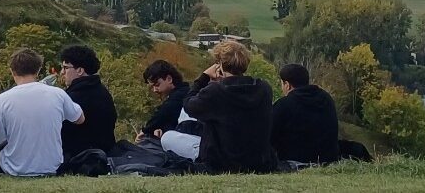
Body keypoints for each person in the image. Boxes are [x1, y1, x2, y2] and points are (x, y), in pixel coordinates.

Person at [0, 48, 85, 176]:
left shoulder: (2, 99)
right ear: (38, 70)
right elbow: (80, 119)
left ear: (12, 71)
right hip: (52, 166)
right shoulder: (58, 94)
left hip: (14, 168)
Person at [182, 40, 277, 174]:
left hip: (222, 163)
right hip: (259, 162)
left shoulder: (215, 91)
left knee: (169, 137)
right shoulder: (264, 88)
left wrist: (203, 78)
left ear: (220, 64)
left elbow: (188, 105)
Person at [271, 63, 340, 164]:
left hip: (296, 161)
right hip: (328, 159)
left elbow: (269, 136)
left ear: (287, 85)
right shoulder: (326, 99)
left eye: (282, 84)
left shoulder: (283, 105)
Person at [58, 45, 117, 158]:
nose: (62, 72)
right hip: (105, 154)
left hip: (79, 157)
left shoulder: (74, 97)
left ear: (80, 70)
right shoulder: (102, 91)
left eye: (65, 68)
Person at [138, 59, 190, 140]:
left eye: (157, 85)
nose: (155, 90)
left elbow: (163, 113)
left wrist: (145, 131)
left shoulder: (179, 97)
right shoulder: (184, 92)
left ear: (169, 79)